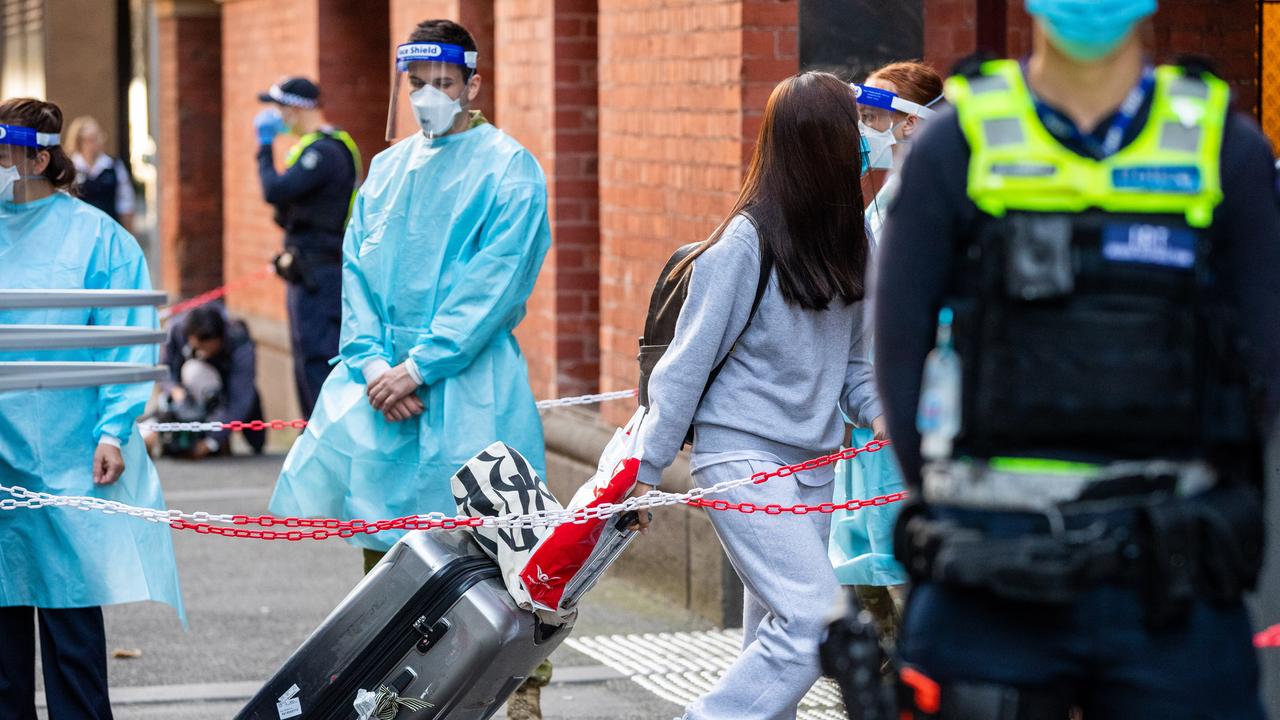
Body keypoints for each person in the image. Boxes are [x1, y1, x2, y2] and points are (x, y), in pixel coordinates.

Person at [874, 0, 1280, 716]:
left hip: (1172, 576)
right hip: (989, 574)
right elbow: (897, 361)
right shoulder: (955, 147)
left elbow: (1264, 369)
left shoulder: (1226, 151)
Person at [628, 71, 885, 720]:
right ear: (819, 146)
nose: (867, 142)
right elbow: (684, 369)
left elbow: (856, 370)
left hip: (813, 467)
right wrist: (645, 470)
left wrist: (893, 421)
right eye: (854, 129)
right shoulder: (744, 242)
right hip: (740, 461)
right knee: (814, 628)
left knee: (776, 634)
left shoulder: (858, 243)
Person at [0, 98, 184, 719]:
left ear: (39, 158)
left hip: (68, 455)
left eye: (2, 155)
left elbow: (126, 337)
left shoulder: (98, 238)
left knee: (71, 630)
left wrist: (113, 431)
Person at [827, 60, 945, 657]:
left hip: (912, 412)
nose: (865, 128)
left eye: (876, 116)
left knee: (911, 575)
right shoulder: (881, 206)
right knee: (876, 585)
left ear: (909, 125)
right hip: (869, 412)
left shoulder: (932, 206)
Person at [253, 76, 362, 418]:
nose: (278, 116)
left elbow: (275, 191)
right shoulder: (315, 147)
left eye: (280, 107)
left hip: (321, 272)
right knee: (306, 358)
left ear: (297, 109)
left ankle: (324, 444)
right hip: (309, 269)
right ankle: (314, 441)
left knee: (318, 359)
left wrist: (264, 148)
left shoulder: (324, 152)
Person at [147, 305, 265, 458]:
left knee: (196, 373)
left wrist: (211, 442)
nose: (202, 352)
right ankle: (157, 438)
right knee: (162, 413)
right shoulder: (176, 329)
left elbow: (240, 399)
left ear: (220, 338)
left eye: (207, 347)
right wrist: (174, 390)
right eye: (198, 346)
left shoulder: (240, 343)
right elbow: (163, 369)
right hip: (185, 395)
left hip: (224, 396)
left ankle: (215, 436)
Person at [65, 115, 136, 231]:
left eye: (99, 137)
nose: (97, 143)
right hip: (79, 231)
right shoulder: (70, 168)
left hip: (109, 229)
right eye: (91, 139)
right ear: (80, 141)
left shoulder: (113, 166)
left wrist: (129, 232)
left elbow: (126, 202)